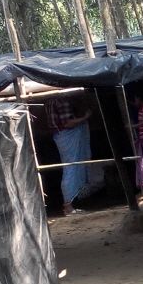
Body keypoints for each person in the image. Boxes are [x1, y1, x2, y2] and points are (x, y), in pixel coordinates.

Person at [44, 88, 103, 217]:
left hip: (59, 136)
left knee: (69, 167)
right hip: (67, 135)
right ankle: (68, 206)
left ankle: (69, 204)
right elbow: (68, 123)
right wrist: (85, 117)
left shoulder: (49, 100)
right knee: (71, 168)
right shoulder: (61, 100)